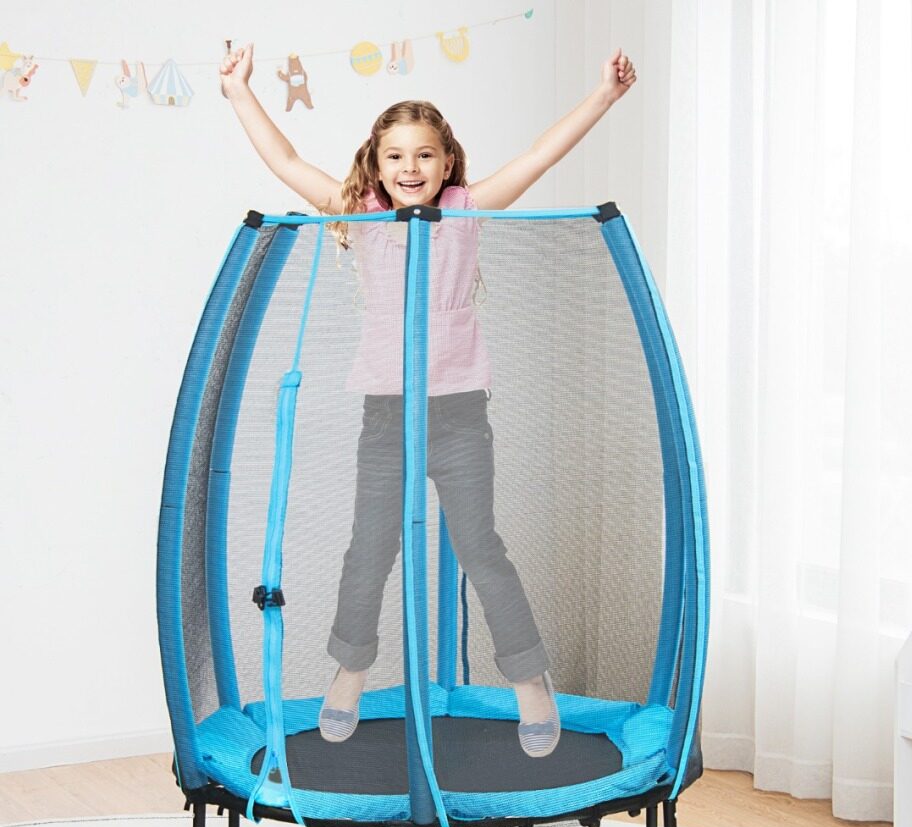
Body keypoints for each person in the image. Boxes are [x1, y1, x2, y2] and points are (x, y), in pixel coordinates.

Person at [219, 43, 637, 758]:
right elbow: (286, 162)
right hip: (385, 416)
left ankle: (529, 680)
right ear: (376, 165)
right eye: (395, 156)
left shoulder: (467, 211)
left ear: (447, 164)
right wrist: (238, 93)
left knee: (481, 548)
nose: (409, 167)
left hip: (459, 415)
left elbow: (539, 157)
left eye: (424, 155)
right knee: (368, 549)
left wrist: (604, 95)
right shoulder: (358, 214)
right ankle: (351, 670)